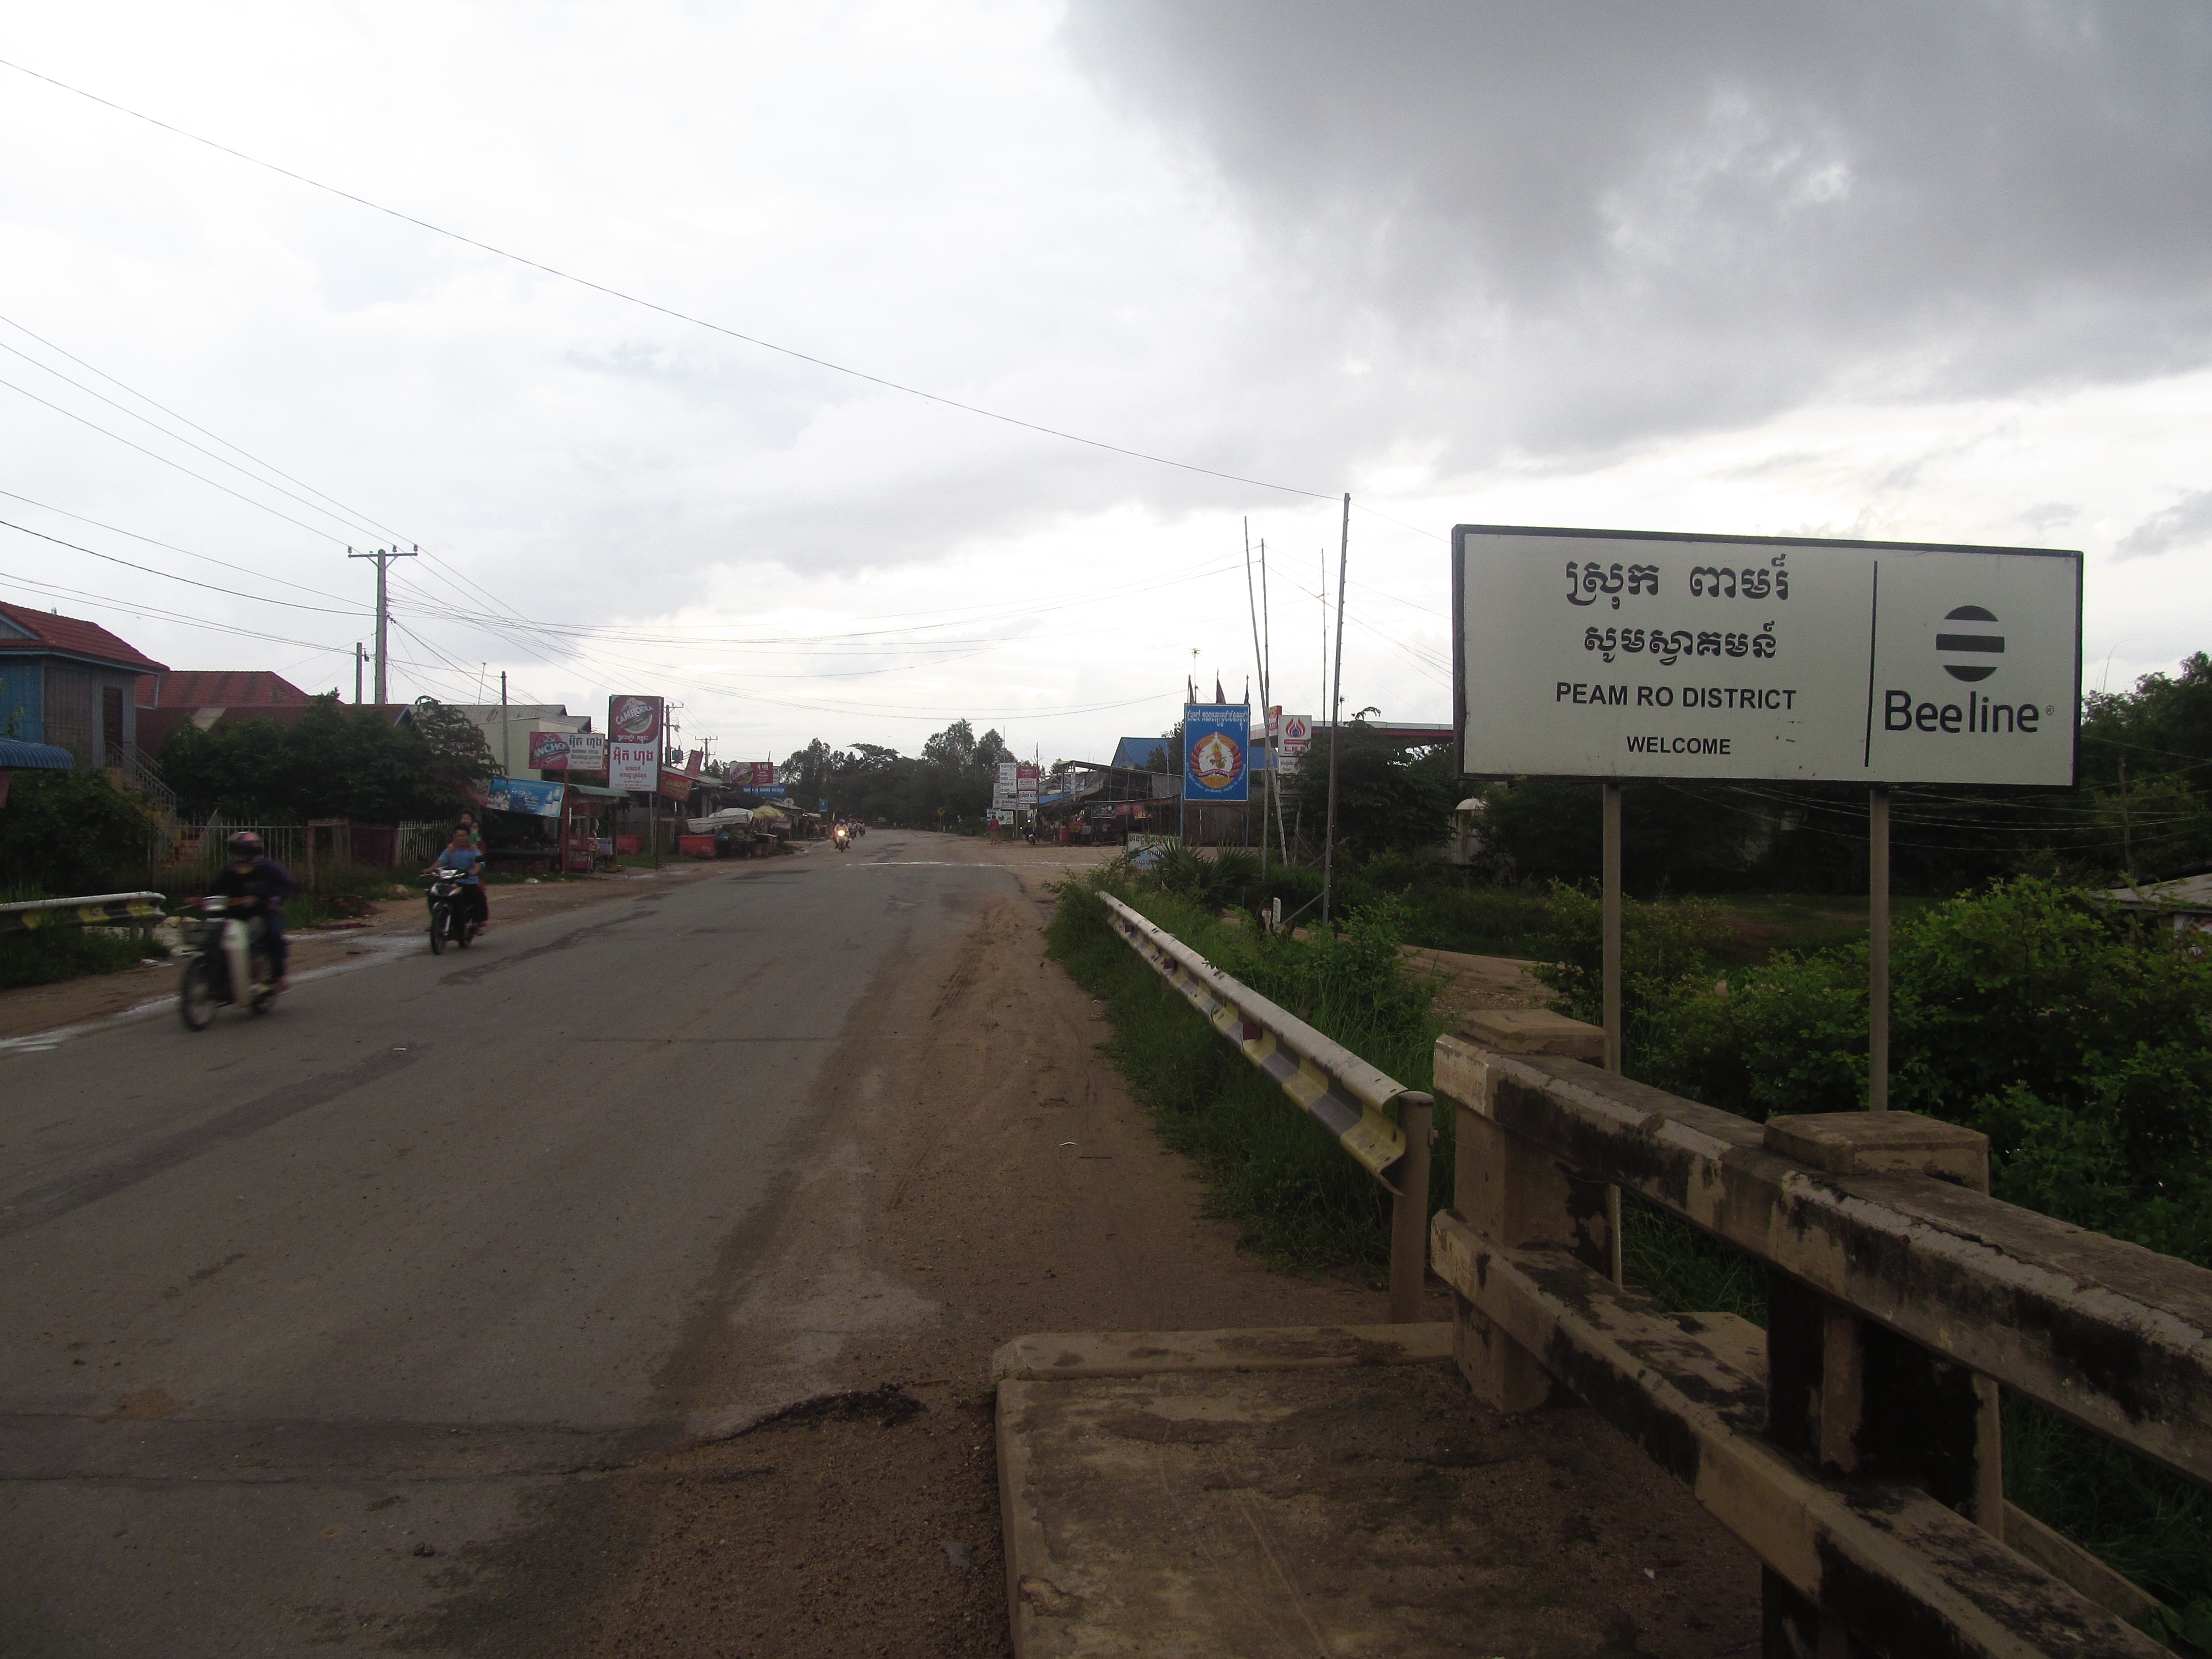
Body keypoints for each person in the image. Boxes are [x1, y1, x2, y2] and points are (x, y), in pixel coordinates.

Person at [208, 830, 293, 993]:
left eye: (244, 850)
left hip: (264, 912)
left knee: (273, 934)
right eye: (237, 850)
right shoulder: (230, 871)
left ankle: (277, 976)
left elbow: (285, 883)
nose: (240, 855)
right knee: (216, 939)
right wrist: (204, 900)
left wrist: (275, 900)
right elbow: (216, 890)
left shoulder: (266, 867)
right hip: (236, 915)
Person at [428, 826, 490, 931]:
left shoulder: (474, 851)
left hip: (468, 883)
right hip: (451, 883)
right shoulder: (450, 851)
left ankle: (476, 923)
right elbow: (440, 863)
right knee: (432, 893)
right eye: (459, 836)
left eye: (463, 835)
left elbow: (478, 867)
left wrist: (472, 872)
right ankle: (437, 919)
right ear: (454, 837)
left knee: (478, 897)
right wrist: (430, 869)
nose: (461, 838)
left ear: (469, 837)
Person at [455, 812, 491, 920]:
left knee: (478, 894)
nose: (461, 838)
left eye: (468, 819)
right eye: (463, 818)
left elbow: (478, 849)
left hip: (471, 870)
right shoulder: (452, 848)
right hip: (456, 873)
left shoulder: (474, 840)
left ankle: (478, 921)